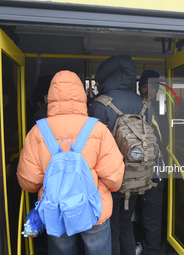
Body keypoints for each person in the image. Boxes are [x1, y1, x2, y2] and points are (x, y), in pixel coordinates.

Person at [17, 70, 125, 255]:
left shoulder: (37, 131)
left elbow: (29, 181)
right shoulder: (97, 129)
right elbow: (115, 179)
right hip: (93, 209)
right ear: (81, 96)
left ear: (50, 96)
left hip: (56, 210)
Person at [88, 55, 145, 255]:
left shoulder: (100, 105)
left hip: (110, 179)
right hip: (138, 176)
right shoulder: (143, 103)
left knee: (110, 227)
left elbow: (92, 147)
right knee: (126, 224)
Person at [136, 70, 168, 255]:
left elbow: (164, 142)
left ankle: (150, 250)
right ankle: (143, 245)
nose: (148, 90)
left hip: (155, 171)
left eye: (152, 87)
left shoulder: (164, 109)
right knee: (142, 214)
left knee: (151, 217)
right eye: (144, 86)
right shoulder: (137, 106)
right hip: (137, 171)